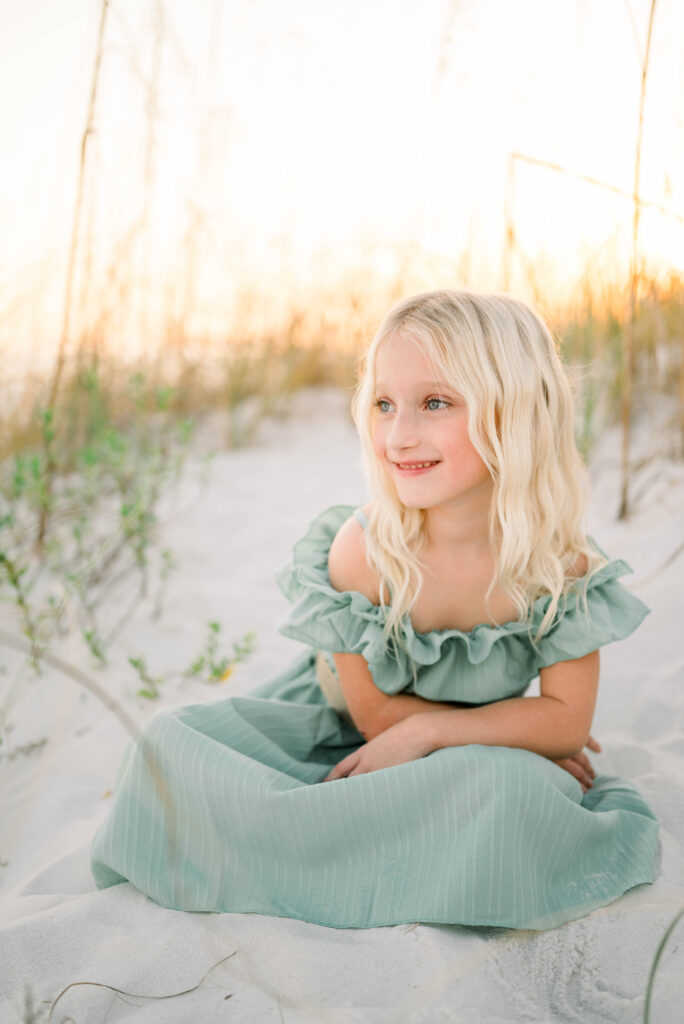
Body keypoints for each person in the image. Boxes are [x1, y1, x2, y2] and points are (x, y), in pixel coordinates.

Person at [91, 289, 658, 930]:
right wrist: (490, 735)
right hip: (351, 735)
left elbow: (564, 721)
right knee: (166, 744)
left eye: (435, 403)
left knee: (510, 790)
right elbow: (375, 717)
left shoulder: (561, 563)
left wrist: (442, 733)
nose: (399, 435)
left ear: (516, 413)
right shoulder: (366, 548)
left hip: (474, 747)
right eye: (385, 404)